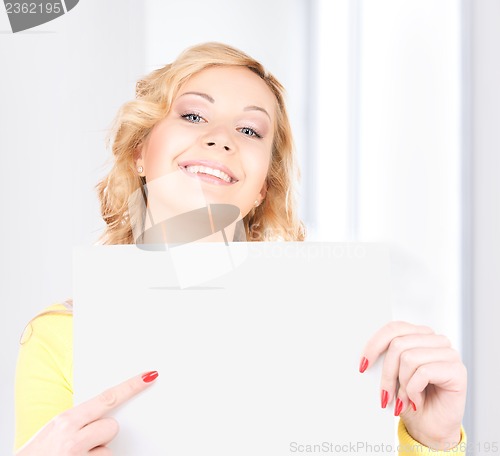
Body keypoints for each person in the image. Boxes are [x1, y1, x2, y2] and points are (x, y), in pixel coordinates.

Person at [14, 42, 467, 455]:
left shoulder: (341, 335)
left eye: (250, 130)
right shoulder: (59, 336)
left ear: (261, 191)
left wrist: (435, 441)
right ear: (139, 150)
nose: (222, 137)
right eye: (193, 116)